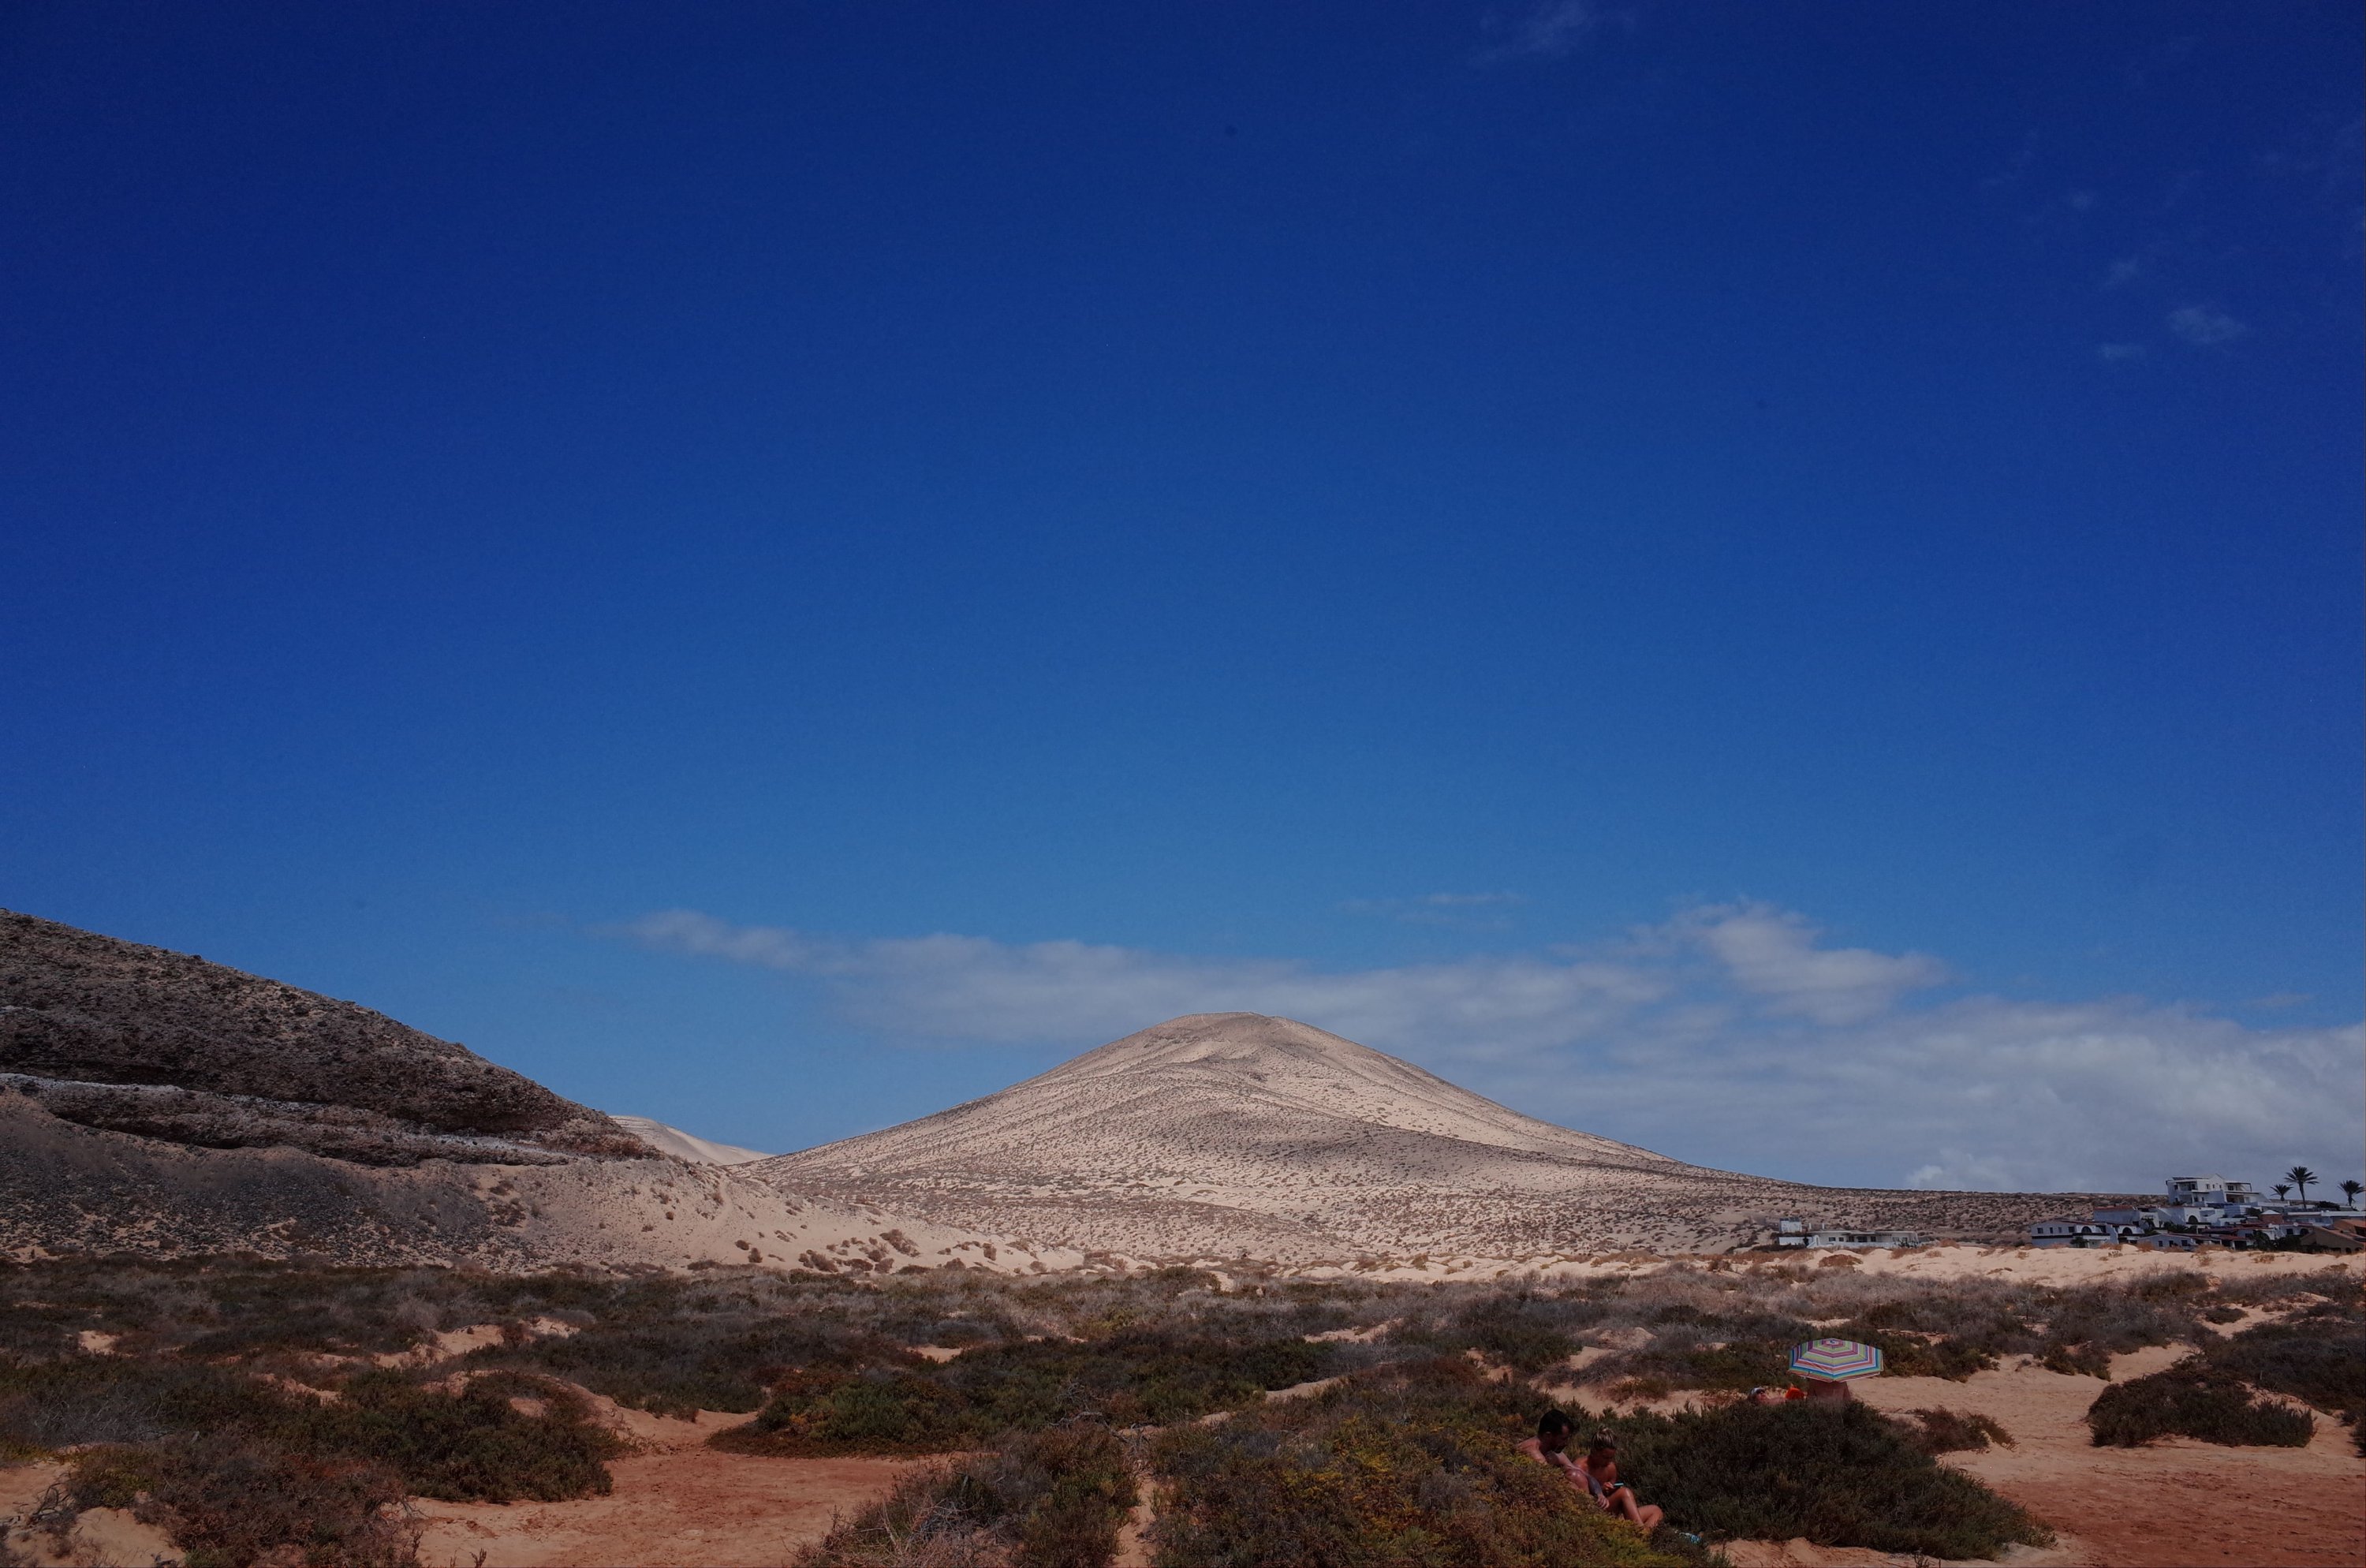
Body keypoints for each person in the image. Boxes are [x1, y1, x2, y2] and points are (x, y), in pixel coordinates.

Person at [1517, 1414, 1664, 1531]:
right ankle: (1638, 1537)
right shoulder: (1533, 1452)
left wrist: (1600, 1493)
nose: (1567, 1443)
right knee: (1577, 1477)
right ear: (1548, 1436)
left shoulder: (1555, 1453)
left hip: (1596, 1509)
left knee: (1655, 1510)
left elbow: (1587, 1477)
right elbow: (1552, 1482)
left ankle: (1641, 1536)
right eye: (1563, 1439)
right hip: (1578, 1513)